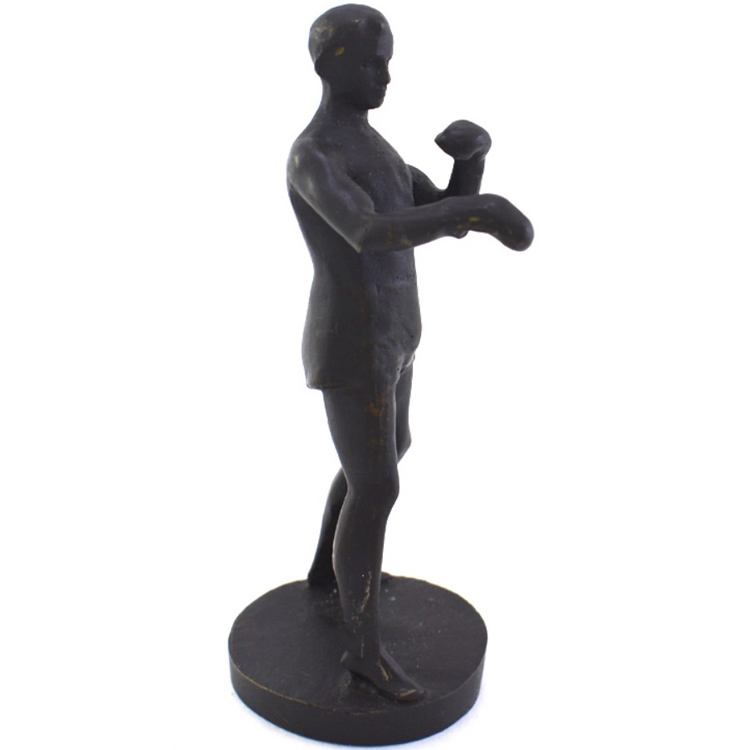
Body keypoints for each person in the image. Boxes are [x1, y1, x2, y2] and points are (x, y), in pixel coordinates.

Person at [287, 4, 533, 701]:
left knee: (386, 455)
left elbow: (437, 216)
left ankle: (326, 574)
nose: (387, 76)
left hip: (393, 334)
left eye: (388, 61)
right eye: (373, 62)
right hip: (351, 342)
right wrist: (476, 210)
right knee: (377, 486)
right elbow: (368, 230)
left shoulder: (377, 149)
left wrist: (470, 166)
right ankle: (363, 653)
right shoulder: (315, 154)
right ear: (330, 64)